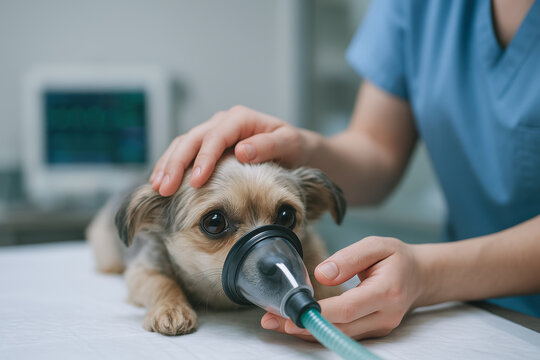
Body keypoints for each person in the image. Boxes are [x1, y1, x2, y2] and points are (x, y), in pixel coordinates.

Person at [149, 0, 540, 340]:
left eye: (285, 217)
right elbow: (377, 152)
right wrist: (305, 147)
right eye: (216, 223)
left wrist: (431, 274)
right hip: (468, 311)